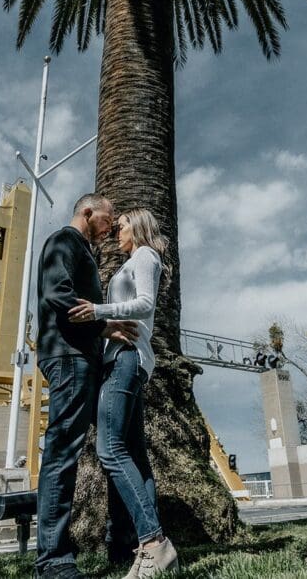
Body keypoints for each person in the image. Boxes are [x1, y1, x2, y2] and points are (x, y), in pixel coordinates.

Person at [69, 208, 178, 578]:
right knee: (136, 456)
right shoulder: (132, 261)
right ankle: (146, 551)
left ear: (140, 227)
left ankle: (155, 544)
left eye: (122, 225)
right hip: (124, 359)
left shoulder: (145, 256)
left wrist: (99, 311)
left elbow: (145, 303)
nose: (117, 230)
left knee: (109, 448)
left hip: (127, 359)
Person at [35, 193, 139, 579]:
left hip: (84, 360)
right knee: (62, 456)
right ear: (88, 212)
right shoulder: (63, 241)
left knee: (115, 446)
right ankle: (53, 562)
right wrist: (104, 325)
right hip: (68, 359)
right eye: (109, 219)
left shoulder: (84, 250)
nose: (111, 227)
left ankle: (122, 541)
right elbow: (57, 294)